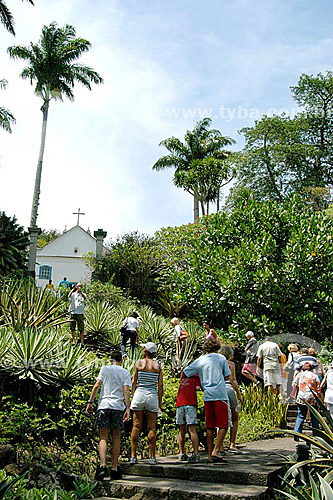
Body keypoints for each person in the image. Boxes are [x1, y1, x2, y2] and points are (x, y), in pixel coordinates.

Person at [86, 350, 131, 481]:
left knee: (103, 437)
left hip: (104, 405)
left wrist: (90, 402)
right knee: (116, 438)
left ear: (110, 359)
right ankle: (114, 468)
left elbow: (97, 385)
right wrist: (127, 407)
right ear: (121, 360)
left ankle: (102, 466)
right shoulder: (125, 372)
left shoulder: (104, 369)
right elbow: (126, 390)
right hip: (118, 407)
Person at [184, 338, 231, 464]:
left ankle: (210, 455)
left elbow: (186, 371)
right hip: (220, 394)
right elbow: (227, 375)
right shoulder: (221, 358)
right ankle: (216, 449)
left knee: (209, 426)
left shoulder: (200, 360)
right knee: (223, 424)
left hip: (207, 395)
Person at [130, 342, 163, 465]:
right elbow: (160, 385)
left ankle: (133, 455)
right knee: (151, 427)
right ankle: (153, 457)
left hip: (139, 394)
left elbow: (134, 381)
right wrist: (159, 403)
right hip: (151, 395)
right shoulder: (157, 366)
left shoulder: (139, 363)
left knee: (136, 426)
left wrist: (133, 396)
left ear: (146, 351)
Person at [219, 345, 243, 454]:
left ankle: (220, 445)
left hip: (218, 390)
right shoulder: (230, 364)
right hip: (228, 389)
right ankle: (232, 444)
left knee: (220, 419)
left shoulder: (216, 363)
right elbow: (233, 380)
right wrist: (239, 394)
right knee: (235, 417)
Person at [176, 372, 201, 462]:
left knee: (182, 430)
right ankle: (196, 453)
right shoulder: (196, 378)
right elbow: (198, 388)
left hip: (180, 404)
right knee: (192, 430)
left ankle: (181, 453)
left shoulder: (182, 379)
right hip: (190, 404)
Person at [292, 362, 321, 438]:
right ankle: (316, 435)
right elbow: (319, 387)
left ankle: (297, 434)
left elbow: (294, 384)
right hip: (312, 398)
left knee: (301, 415)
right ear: (311, 368)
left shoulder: (300, 375)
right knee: (314, 417)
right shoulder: (314, 376)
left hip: (302, 397)